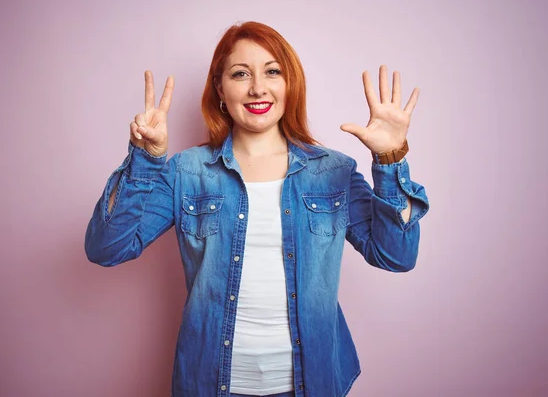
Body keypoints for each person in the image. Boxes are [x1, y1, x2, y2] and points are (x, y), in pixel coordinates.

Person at [85, 21, 429, 397]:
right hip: (211, 385)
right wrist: (146, 160)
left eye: (272, 72)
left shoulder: (334, 172)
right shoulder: (188, 172)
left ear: (289, 84)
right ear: (220, 87)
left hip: (311, 384)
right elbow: (107, 248)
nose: (257, 88)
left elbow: (396, 256)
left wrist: (390, 159)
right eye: (240, 74)